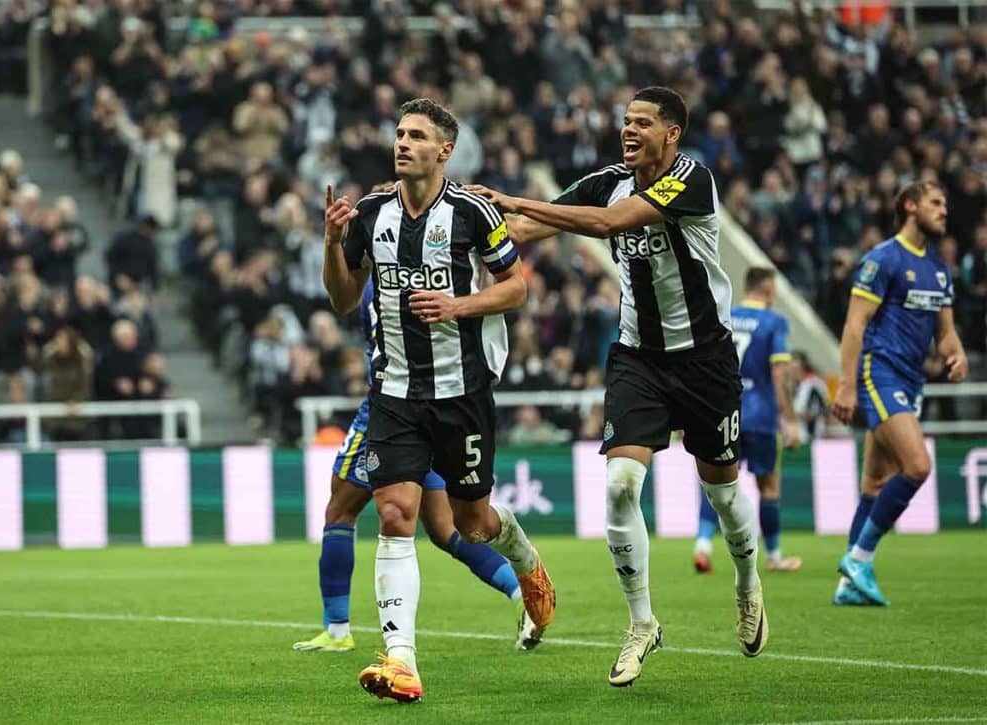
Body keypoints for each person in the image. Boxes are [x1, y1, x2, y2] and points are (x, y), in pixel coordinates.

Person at [470, 86, 767, 687]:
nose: (628, 130)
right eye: (625, 121)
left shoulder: (692, 180)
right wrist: (469, 224)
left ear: (672, 134)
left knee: (723, 492)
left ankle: (747, 582)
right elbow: (526, 229)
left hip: (706, 360)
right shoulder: (607, 180)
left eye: (642, 123)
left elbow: (608, 223)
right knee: (621, 485)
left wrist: (512, 197)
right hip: (640, 359)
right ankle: (641, 624)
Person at [322, 98, 555, 704]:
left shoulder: (473, 213)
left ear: (444, 150)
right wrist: (332, 242)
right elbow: (343, 299)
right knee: (395, 515)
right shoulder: (370, 213)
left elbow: (516, 289)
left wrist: (458, 306)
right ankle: (401, 660)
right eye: (399, 133)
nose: (402, 143)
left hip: (462, 393)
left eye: (417, 136)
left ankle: (526, 562)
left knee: (471, 525)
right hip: (394, 392)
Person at [293, 279, 537, 654]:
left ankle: (338, 629)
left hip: (390, 413)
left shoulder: (384, 280)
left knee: (340, 511)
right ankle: (522, 594)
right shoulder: (430, 274)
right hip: (439, 409)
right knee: (445, 529)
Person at [831, 181, 967, 606]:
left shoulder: (939, 268)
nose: (944, 210)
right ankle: (859, 559)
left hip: (911, 380)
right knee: (918, 465)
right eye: (935, 202)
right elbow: (855, 325)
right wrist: (847, 385)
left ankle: (847, 588)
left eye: (945, 204)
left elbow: (945, 333)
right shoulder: (883, 259)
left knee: (875, 481)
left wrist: (956, 353)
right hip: (880, 372)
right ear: (910, 205)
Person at [693, 267, 803, 574]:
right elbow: (779, 374)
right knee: (768, 486)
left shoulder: (725, 315)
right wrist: (789, 420)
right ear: (768, 290)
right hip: (760, 415)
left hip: (724, 412)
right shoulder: (774, 322)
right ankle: (775, 555)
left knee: (717, 482)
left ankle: (702, 546)